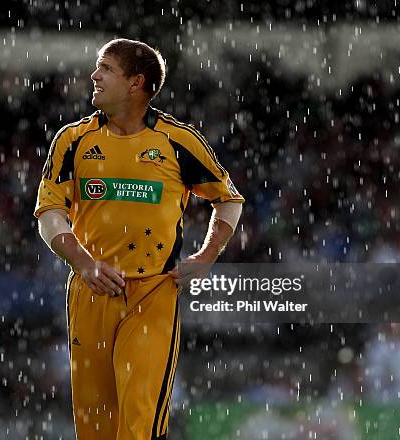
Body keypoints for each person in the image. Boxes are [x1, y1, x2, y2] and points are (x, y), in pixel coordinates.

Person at [35, 39, 244, 439]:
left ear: (136, 83)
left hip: (153, 292)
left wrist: (207, 256)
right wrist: (84, 263)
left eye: (106, 69)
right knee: (95, 424)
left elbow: (229, 201)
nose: (94, 76)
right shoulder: (72, 140)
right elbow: (49, 213)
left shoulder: (178, 141)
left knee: (140, 419)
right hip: (90, 290)